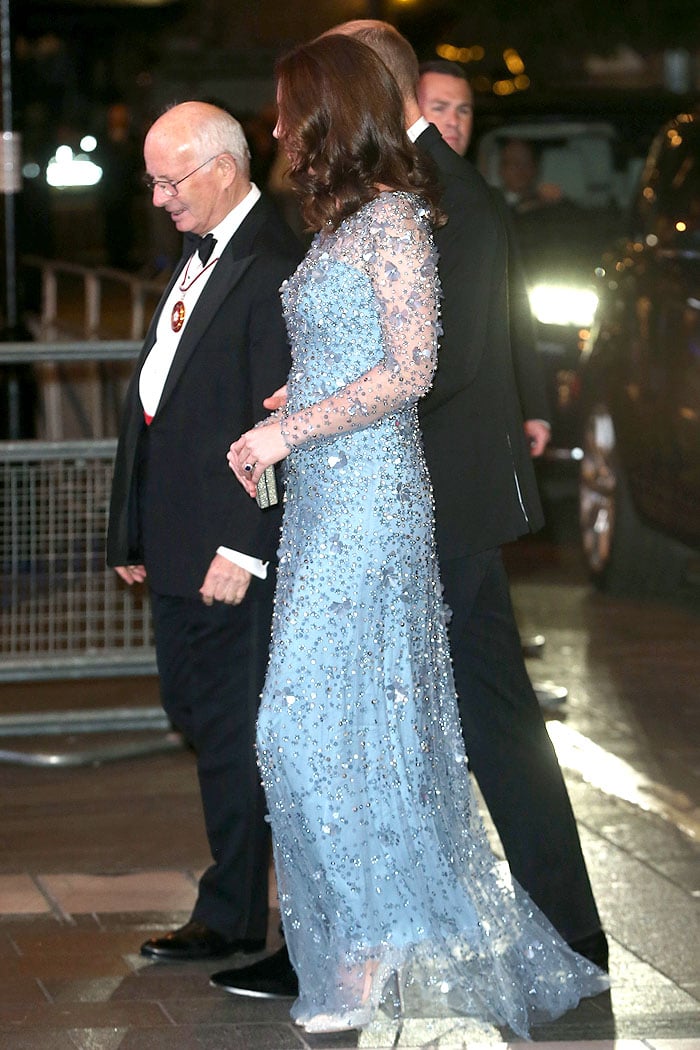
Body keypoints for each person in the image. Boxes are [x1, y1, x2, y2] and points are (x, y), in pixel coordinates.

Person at [219, 33, 608, 1037]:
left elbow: (422, 364)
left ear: (335, 105)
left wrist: (296, 425)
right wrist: (302, 401)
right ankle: (362, 936)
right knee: (351, 731)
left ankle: (417, 938)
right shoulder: (352, 210)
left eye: (284, 107)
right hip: (341, 496)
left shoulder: (416, 205)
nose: (274, 128)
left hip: (403, 500)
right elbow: (369, 352)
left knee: (402, 731)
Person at [106, 101, 302, 962]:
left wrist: (245, 545)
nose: (158, 198)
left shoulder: (271, 260)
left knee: (230, 730)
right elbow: (157, 401)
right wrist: (131, 529)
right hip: (177, 539)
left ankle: (232, 915)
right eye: (151, 180)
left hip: (229, 549)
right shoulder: (199, 255)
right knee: (195, 711)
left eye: (170, 180)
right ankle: (232, 903)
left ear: (223, 167)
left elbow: (282, 416)